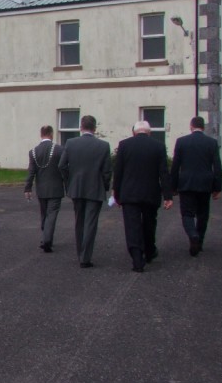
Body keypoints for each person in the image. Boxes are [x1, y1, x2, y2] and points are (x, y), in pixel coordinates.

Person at [112, 121, 173, 272]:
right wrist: (168, 196)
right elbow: (163, 173)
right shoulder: (158, 146)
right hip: (150, 193)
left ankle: (137, 258)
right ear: (149, 132)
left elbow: (118, 171)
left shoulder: (124, 145)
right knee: (149, 224)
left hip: (129, 193)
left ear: (134, 132)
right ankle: (150, 251)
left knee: (132, 226)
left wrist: (116, 193)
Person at [58, 115, 112, 268]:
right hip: (95, 188)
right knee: (91, 223)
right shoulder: (103, 145)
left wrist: (69, 182)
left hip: (77, 187)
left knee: (79, 221)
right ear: (95, 128)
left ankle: (80, 252)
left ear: (81, 127)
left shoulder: (70, 143)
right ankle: (85, 257)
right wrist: (105, 186)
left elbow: (62, 166)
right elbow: (107, 171)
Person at [170, 116, 222, 256]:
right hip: (205, 184)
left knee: (187, 213)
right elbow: (217, 166)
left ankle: (192, 234)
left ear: (191, 126)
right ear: (203, 127)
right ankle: (199, 241)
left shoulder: (181, 142)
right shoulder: (211, 143)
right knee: (203, 214)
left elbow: (175, 166)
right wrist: (217, 187)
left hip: (186, 183)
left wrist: (172, 186)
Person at [24, 125, 65, 252]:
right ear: (51, 134)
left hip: (41, 188)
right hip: (56, 188)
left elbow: (31, 172)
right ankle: (47, 240)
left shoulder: (33, 152)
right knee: (51, 215)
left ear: (41, 135)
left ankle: (45, 237)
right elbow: (64, 168)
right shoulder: (60, 150)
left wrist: (28, 188)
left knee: (44, 214)